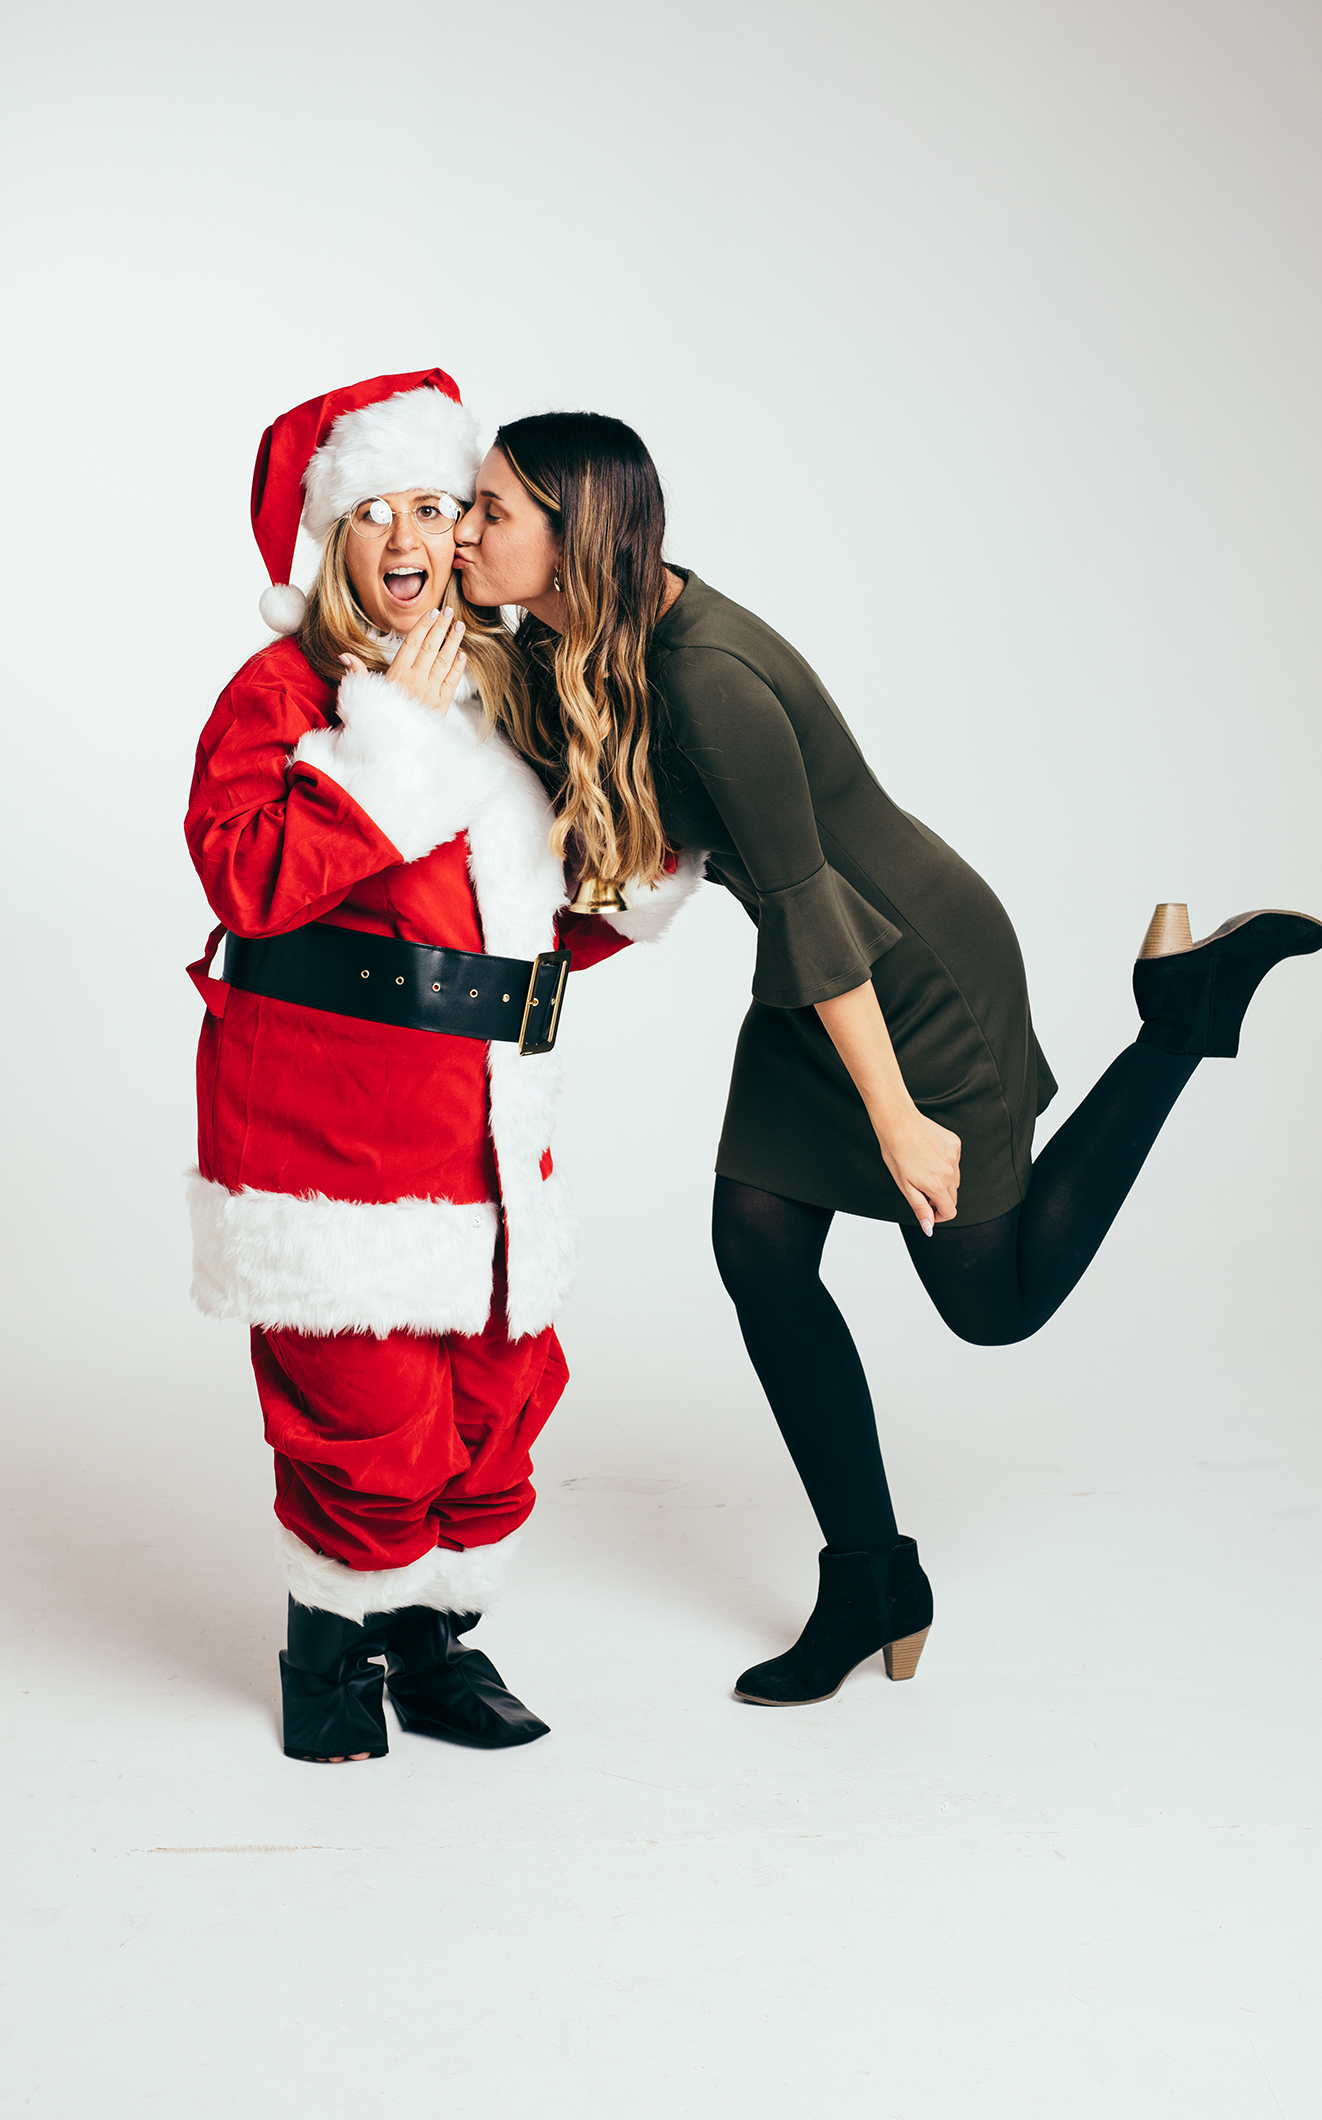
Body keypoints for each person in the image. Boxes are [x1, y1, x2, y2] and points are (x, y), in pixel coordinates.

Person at [451, 409, 1322, 1708]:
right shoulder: (580, 637)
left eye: (490, 513)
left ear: (574, 537)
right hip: (816, 976)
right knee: (756, 1248)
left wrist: (900, 1116)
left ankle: (1179, 1020)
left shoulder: (706, 678)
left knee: (992, 1302)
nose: (464, 532)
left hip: (904, 972)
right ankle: (871, 1577)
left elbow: (812, 904)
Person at [184, 373, 696, 1764]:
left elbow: (505, 921)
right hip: (328, 1131)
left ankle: (429, 1636)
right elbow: (249, 874)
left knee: (493, 1404)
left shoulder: (497, 678)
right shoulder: (286, 690)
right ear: (328, 539)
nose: (413, 537)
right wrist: (389, 749)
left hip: (487, 1124)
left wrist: (649, 872)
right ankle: (326, 1652)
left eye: (437, 505)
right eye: (377, 512)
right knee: (365, 1413)